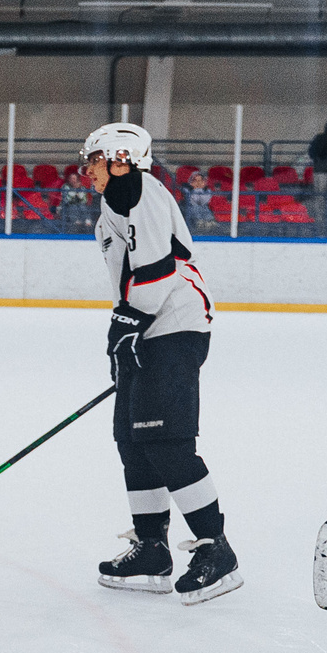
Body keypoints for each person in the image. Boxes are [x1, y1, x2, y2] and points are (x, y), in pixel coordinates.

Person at [81, 123, 242, 604]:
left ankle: (217, 550)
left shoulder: (140, 192)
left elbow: (159, 267)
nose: (85, 170)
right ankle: (153, 548)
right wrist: (126, 328)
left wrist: (129, 322)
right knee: (133, 441)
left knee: (167, 442)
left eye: (93, 160)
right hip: (149, 328)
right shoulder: (117, 203)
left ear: (120, 160)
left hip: (173, 327)